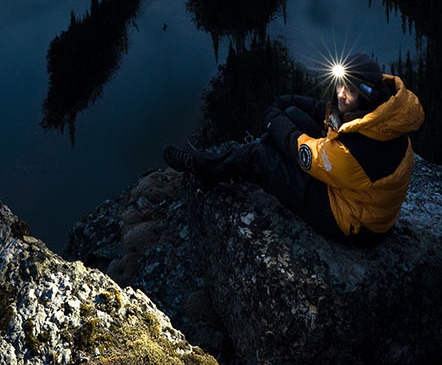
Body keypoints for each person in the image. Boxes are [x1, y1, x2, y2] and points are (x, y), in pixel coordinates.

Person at [163, 53, 424, 246]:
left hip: (356, 225)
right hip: (362, 198)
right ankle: (241, 164)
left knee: (262, 157)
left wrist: (271, 118)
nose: (342, 94)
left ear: (366, 96)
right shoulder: (383, 116)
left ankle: (202, 166)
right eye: (340, 84)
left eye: (351, 90)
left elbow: (301, 150)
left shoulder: (352, 153)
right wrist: (289, 104)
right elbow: (330, 113)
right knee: (292, 114)